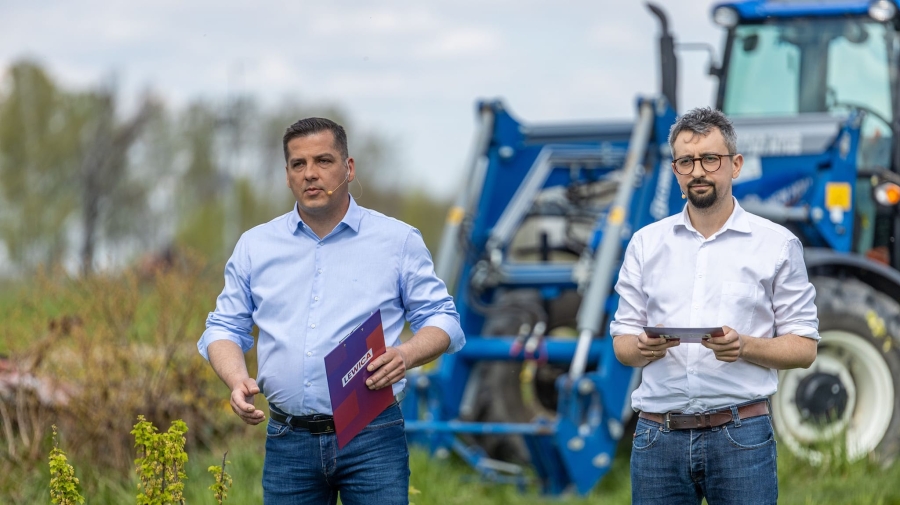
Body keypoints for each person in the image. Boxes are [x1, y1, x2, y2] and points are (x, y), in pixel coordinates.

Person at [197, 117, 465, 505]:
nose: (310, 173)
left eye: (323, 161)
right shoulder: (256, 246)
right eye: (298, 164)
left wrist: (405, 355)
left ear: (348, 168)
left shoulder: (397, 241)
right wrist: (236, 379)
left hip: (373, 436)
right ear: (287, 175)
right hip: (288, 441)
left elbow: (443, 318)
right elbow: (223, 327)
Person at [610, 107, 818, 505]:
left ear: (735, 165)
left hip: (741, 436)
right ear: (675, 171)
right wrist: (642, 347)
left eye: (710, 159)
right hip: (657, 439)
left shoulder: (776, 244)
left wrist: (745, 346)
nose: (698, 172)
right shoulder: (645, 244)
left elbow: (804, 347)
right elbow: (622, 343)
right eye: (686, 162)